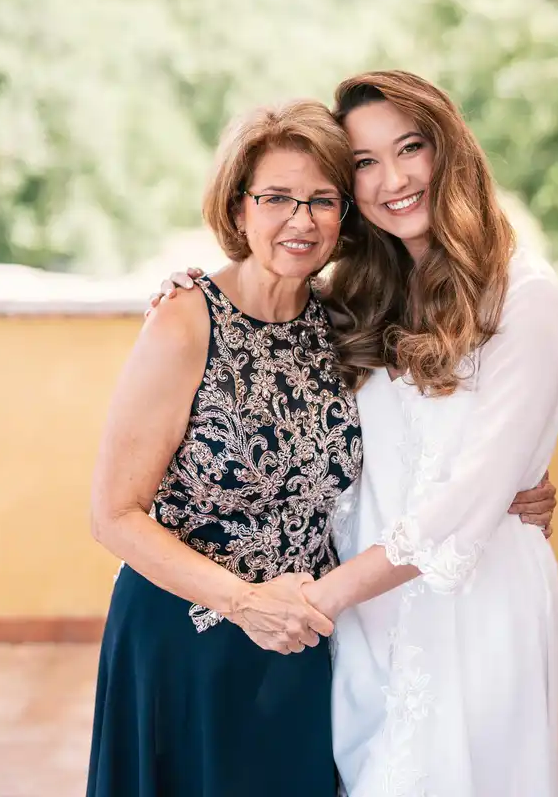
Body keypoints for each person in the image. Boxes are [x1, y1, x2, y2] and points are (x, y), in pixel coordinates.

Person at [152, 70, 558, 797]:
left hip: (466, 605)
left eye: (411, 148)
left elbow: (470, 497)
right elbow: (268, 326)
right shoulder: (357, 296)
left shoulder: (523, 297)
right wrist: (198, 293)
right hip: (366, 618)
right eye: (366, 163)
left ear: (451, 150)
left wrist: (315, 599)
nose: (393, 179)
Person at [86, 100, 363, 797]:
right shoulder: (183, 322)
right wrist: (244, 602)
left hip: (298, 644)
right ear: (239, 208)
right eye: (277, 198)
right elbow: (113, 515)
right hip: (185, 642)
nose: (300, 220)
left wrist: (518, 482)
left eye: (321, 200)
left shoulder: (347, 327)